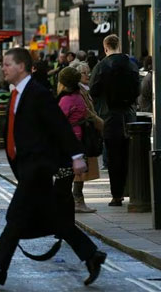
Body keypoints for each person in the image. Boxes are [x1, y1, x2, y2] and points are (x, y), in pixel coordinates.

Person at [0, 48, 106, 286]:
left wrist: (76, 155)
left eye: (7, 64)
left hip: (38, 168)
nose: (3, 68)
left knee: (15, 217)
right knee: (56, 220)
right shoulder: (18, 94)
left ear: (21, 67)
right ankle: (91, 254)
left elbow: (60, 126)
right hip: (27, 168)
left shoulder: (37, 93)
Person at [89, 34, 140, 206]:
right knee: (129, 155)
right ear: (119, 46)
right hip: (129, 116)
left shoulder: (101, 66)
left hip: (109, 116)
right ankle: (132, 191)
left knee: (112, 156)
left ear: (105, 48)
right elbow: (137, 90)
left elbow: (93, 91)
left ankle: (117, 195)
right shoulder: (131, 65)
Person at [60, 66, 100, 213]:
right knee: (74, 173)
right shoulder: (75, 97)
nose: (87, 75)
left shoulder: (70, 97)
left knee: (72, 174)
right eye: (83, 73)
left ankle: (74, 202)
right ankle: (75, 202)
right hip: (76, 139)